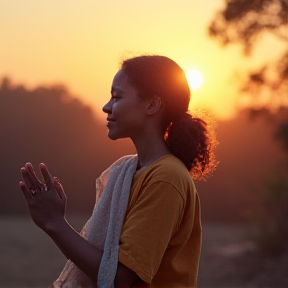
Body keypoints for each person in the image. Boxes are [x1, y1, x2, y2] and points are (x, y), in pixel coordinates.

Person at [19, 55, 217, 288]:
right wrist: (54, 222)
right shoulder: (129, 170)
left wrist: (54, 223)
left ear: (152, 104)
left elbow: (119, 277)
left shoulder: (166, 178)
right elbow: (108, 266)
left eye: (117, 96)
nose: (106, 106)